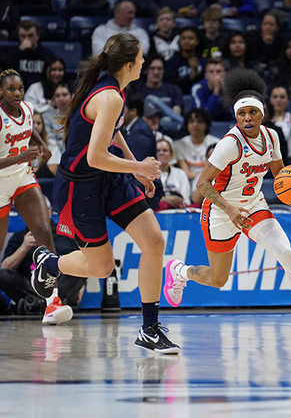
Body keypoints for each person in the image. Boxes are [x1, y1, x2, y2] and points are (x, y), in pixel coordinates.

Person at [162, 68, 291, 342]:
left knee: (285, 252)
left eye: (252, 112)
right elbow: (202, 184)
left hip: (254, 205)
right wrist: (229, 209)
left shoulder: (271, 137)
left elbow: (282, 178)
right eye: (241, 113)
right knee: (218, 280)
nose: (247, 117)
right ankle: (179, 271)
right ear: (236, 117)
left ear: (262, 114)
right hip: (220, 213)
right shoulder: (230, 144)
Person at [31, 32, 181, 353]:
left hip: (110, 180)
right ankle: (50, 265)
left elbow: (114, 132)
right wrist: (138, 169)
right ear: (129, 64)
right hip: (79, 188)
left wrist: (133, 164)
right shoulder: (109, 96)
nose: (143, 61)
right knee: (101, 269)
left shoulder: (118, 90)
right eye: (141, 57)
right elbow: (94, 156)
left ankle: (149, 328)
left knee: (154, 241)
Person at [0, 69, 66, 323]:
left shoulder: (27, 109)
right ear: (0, 91)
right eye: (11, 89)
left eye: (20, 88)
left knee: (43, 231)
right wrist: (21, 156)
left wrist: (42, 146)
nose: (17, 93)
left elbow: (28, 129)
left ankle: (52, 301)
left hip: (22, 178)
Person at [0, 197, 83, 322]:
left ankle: (50, 301)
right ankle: (41, 303)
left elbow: (78, 261)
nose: (35, 214)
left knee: (77, 270)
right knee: (2, 275)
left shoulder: (63, 233)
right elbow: (5, 267)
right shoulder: (19, 237)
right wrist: (23, 248)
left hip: (58, 284)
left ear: (48, 212)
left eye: (39, 210)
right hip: (31, 286)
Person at [132, 55, 184, 133]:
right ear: (145, 70)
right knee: (150, 98)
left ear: (164, 71)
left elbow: (175, 117)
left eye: (159, 69)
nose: (156, 72)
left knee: (164, 120)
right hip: (145, 126)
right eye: (152, 68)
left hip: (167, 128)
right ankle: (185, 123)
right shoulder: (138, 90)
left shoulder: (174, 90)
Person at [7, 20, 60, 88]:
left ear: (37, 36)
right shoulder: (12, 53)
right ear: (18, 36)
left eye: (30, 36)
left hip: (40, 91)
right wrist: (19, 51)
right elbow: (7, 73)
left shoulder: (47, 54)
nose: (27, 39)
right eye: (23, 36)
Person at [174, 108, 220, 183]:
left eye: (199, 121)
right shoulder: (179, 145)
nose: (195, 124)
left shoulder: (217, 143)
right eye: (191, 121)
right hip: (188, 181)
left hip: (212, 180)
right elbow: (186, 173)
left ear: (206, 125)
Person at [41, 82, 73, 176]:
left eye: (65, 95)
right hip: (54, 154)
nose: (61, 98)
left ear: (72, 96)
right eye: (57, 96)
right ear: (53, 99)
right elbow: (48, 138)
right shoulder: (46, 115)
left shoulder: (77, 113)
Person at [165, 26, 206, 94]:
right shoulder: (172, 62)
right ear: (179, 41)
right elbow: (170, 83)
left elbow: (208, 82)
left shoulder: (204, 61)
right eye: (183, 38)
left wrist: (198, 74)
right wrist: (190, 78)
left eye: (191, 38)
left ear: (197, 41)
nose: (186, 41)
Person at [192, 56, 232, 122]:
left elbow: (234, 115)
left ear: (225, 74)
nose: (215, 75)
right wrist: (216, 92)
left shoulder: (232, 88)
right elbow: (201, 116)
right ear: (206, 75)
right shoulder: (197, 88)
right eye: (211, 72)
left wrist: (225, 92)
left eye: (219, 71)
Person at [156, 138, 191, 210]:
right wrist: (164, 199)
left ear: (171, 155)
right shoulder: (147, 175)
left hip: (177, 211)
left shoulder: (180, 173)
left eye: (165, 150)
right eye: (158, 150)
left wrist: (178, 202)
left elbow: (186, 200)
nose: (161, 153)